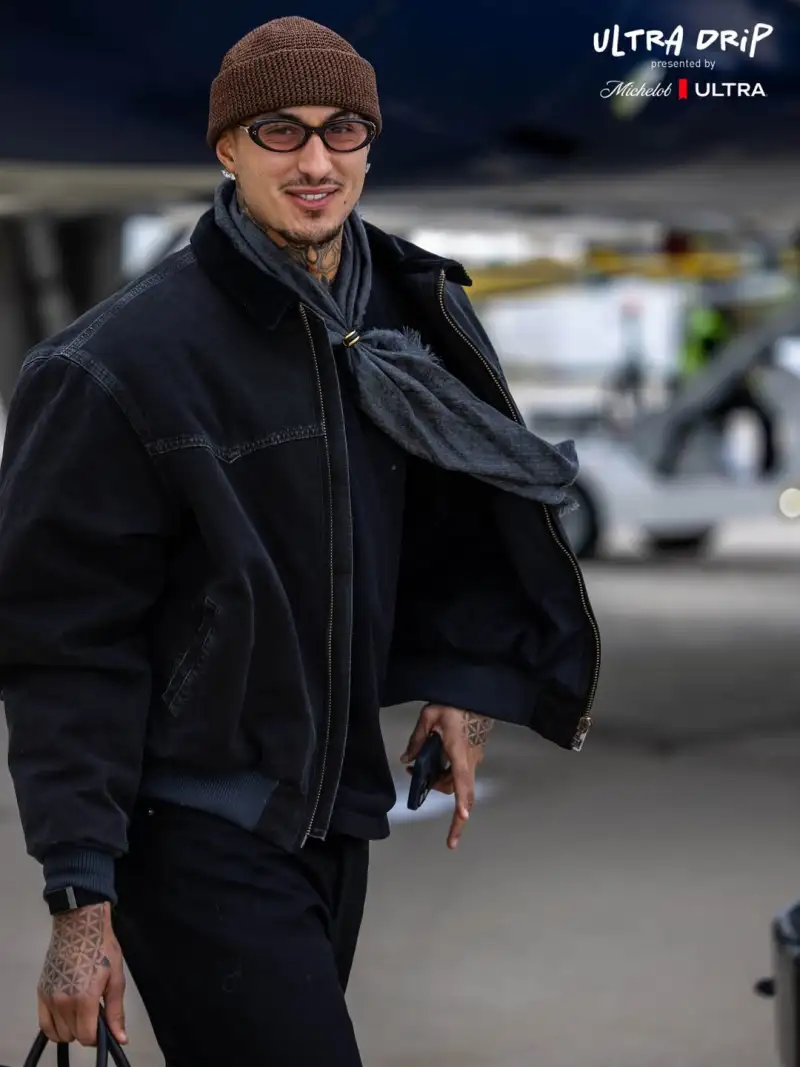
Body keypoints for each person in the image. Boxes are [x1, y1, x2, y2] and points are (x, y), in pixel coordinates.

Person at [0, 17, 600, 1067]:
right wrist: (78, 906)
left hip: (334, 818)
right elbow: (62, 646)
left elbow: (453, 515)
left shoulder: (401, 316)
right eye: (279, 131)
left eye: (342, 130)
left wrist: (463, 678)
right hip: (191, 826)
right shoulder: (115, 366)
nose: (315, 161)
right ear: (225, 150)